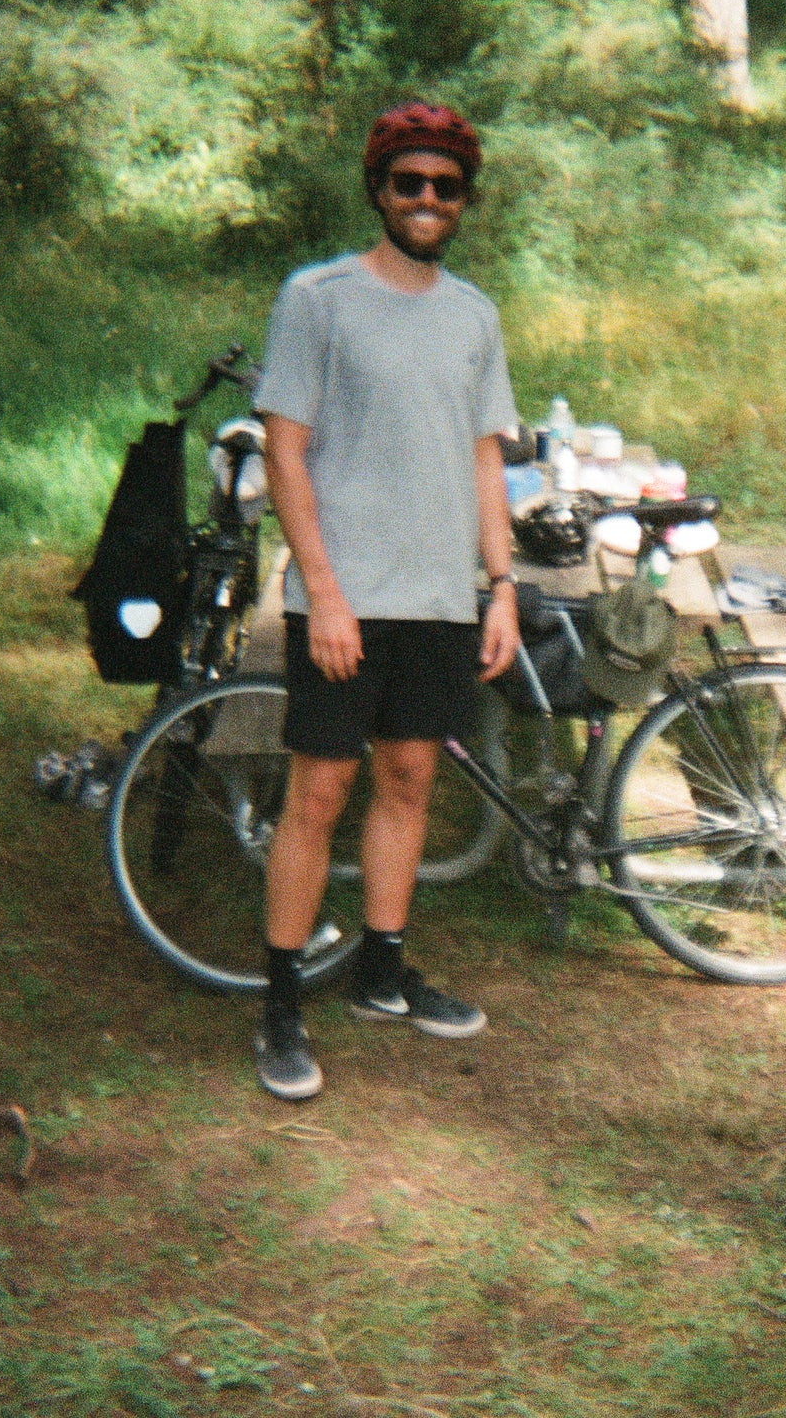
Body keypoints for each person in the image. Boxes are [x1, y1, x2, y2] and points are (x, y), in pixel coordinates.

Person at [248, 102, 522, 1102]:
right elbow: (284, 448)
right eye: (409, 182)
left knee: (408, 778)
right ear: (379, 189)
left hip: (441, 598)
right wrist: (322, 592)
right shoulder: (317, 298)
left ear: (463, 201)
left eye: (445, 186)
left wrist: (500, 585)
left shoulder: (475, 316)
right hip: (345, 598)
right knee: (318, 791)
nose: (426, 199)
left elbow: (487, 459)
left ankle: (380, 966)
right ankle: (280, 1000)